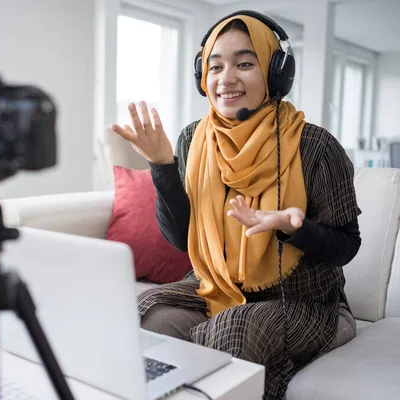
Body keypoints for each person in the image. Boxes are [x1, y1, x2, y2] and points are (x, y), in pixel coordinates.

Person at [111, 10, 361, 400]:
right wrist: (162, 166)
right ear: (202, 78)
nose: (226, 78)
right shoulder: (193, 138)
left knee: (236, 328)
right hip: (213, 287)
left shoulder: (315, 145)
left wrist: (294, 228)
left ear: (276, 73)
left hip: (306, 301)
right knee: (147, 311)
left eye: (245, 63)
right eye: (215, 66)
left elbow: (348, 246)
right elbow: (181, 239)